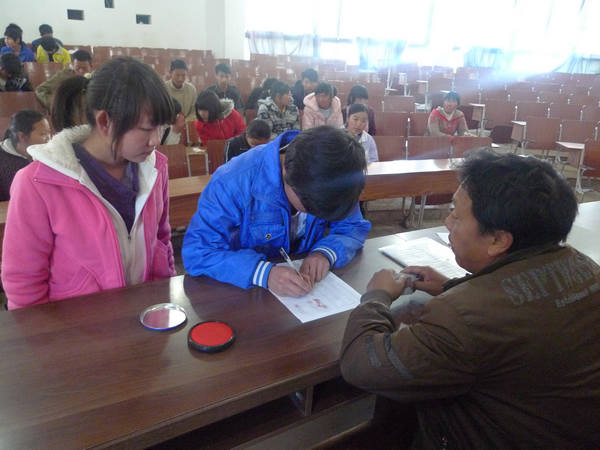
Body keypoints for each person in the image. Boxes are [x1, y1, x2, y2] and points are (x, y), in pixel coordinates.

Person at [340, 150, 600, 448]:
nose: (447, 222)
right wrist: (453, 286)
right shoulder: (586, 267)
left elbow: (360, 364)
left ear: (498, 240)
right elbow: (526, 303)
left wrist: (377, 296)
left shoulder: (461, 320)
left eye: (456, 214)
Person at [1, 56, 176, 310]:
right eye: (147, 129)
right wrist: (41, 332)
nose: (156, 140)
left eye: (161, 128)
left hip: (145, 314)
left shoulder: (155, 167)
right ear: (105, 122)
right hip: (76, 324)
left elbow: (162, 238)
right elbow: (23, 281)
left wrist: (162, 299)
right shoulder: (36, 182)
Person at [182, 126, 371, 297]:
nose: (317, 215)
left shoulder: (337, 176)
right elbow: (198, 251)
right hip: (243, 294)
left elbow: (353, 226)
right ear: (285, 173)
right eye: (311, 209)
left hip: (300, 291)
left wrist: (325, 253)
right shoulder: (232, 181)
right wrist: (262, 273)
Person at [0, 110, 50, 201]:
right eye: (43, 134)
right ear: (22, 136)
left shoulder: (45, 156)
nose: (49, 139)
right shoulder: (4, 163)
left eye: (49, 133)